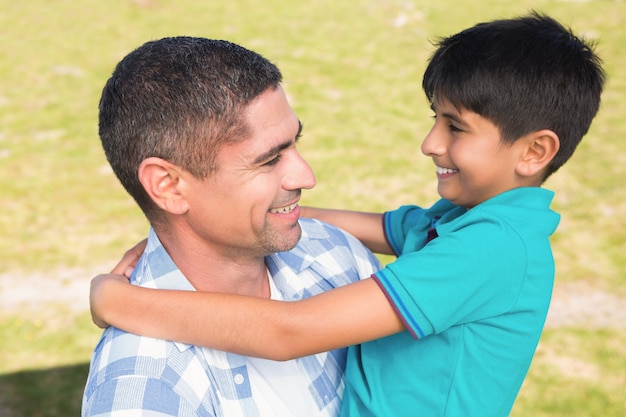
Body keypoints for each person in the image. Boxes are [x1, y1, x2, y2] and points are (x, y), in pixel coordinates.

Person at [90, 12, 605, 417]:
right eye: (271, 158)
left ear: (535, 151)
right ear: (169, 187)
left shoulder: (492, 248)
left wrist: (118, 301)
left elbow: (288, 333)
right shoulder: (462, 219)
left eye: (455, 127)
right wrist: (274, 212)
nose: (430, 143)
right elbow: (385, 226)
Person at [81, 37, 382, 417]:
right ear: (168, 186)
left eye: (294, 144)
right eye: (269, 160)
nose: (307, 176)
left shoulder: (336, 254)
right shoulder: (144, 391)